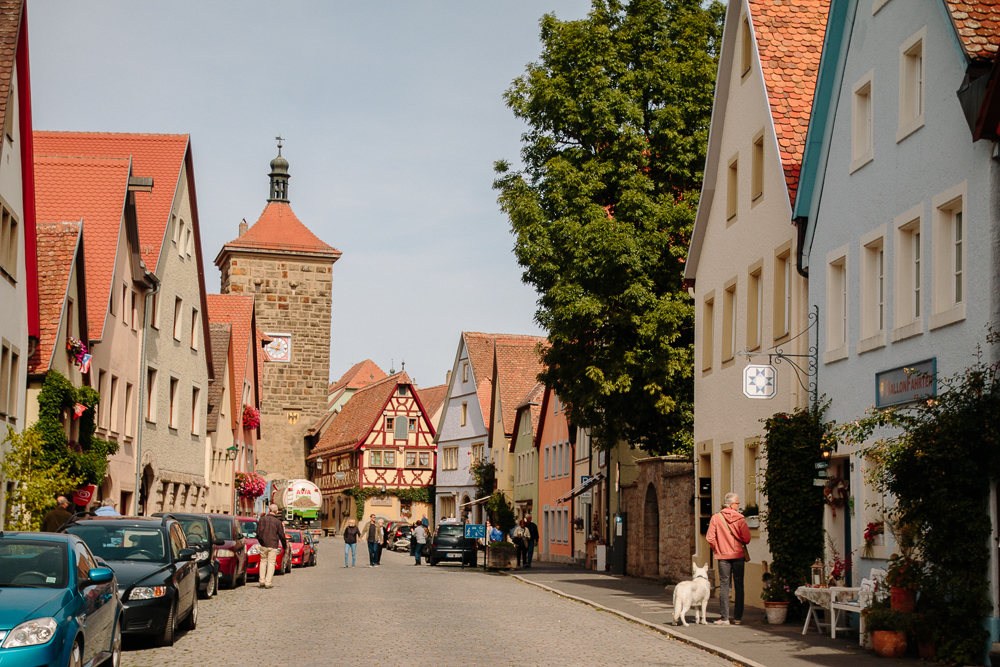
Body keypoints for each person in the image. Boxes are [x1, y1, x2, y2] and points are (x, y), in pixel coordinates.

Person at [706, 492, 751, 626]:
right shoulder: (740, 519)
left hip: (723, 556)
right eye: (737, 503)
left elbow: (710, 538)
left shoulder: (716, 518)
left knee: (724, 586)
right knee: (739, 585)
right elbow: (747, 539)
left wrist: (717, 549)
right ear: (732, 504)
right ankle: (737, 617)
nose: (738, 505)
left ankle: (724, 618)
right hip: (738, 555)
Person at [256, 503, 288, 589]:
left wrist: (261, 541)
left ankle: (261, 581)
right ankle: (268, 582)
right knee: (271, 563)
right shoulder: (278, 522)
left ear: (269, 510)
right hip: (273, 545)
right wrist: (285, 546)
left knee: (263, 562)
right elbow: (282, 535)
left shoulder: (262, 519)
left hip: (264, 544)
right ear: (277, 512)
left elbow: (258, 533)